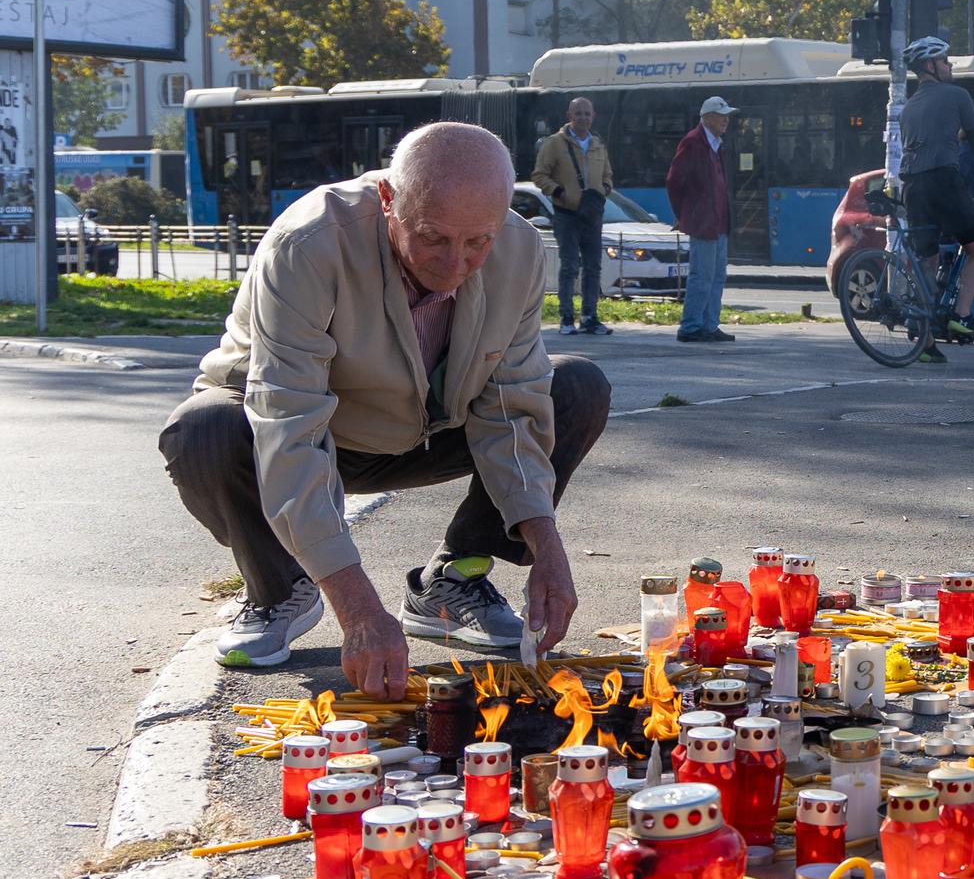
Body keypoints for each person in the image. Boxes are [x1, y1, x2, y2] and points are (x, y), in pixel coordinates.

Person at [158, 122, 612, 698]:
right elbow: (288, 424)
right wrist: (358, 609)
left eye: (479, 242)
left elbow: (511, 406)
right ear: (389, 201)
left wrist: (547, 546)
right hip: (305, 435)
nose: (455, 265)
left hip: (428, 433)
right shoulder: (309, 244)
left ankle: (453, 581)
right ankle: (278, 590)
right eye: (433, 238)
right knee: (202, 427)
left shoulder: (519, 249)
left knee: (574, 385)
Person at [898, 37, 974, 362]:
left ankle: (926, 342)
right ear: (931, 65)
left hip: (912, 188)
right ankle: (961, 316)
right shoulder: (957, 95)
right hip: (944, 181)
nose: (950, 67)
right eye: (946, 61)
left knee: (927, 263)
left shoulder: (908, 108)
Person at [533, 97, 614, 336]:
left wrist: (604, 189)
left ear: (593, 116)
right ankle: (566, 317)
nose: (583, 118)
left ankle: (590, 317)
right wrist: (558, 192)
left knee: (593, 266)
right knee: (569, 266)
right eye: (578, 113)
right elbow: (539, 175)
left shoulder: (598, 143)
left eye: (587, 114)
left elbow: (608, 174)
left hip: (592, 213)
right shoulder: (555, 143)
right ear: (569, 115)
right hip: (566, 213)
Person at [666, 95, 738, 344]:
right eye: (721, 115)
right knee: (702, 276)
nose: (726, 120)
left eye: (727, 115)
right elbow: (675, 181)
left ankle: (709, 325)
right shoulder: (694, 142)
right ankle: (691, 326)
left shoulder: (716, 144)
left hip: (719, 222)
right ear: (707, 118)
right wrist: (683, 213)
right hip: (704, 223)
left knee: (717, 276)